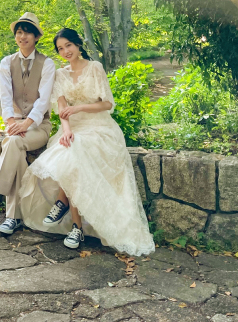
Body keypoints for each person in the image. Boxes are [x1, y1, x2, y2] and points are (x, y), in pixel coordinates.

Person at [17, 28, 155, 255]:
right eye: (60, 48)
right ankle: (75, 227)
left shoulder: (95, 68)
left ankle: (64, 207)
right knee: (71, 149)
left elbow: (107, 104)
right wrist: (66, 130)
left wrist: (79, 108)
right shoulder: (60, 75)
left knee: (75, 151)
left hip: (100, 128)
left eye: (68, 45)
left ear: (78, 45)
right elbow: (62, 108)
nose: (65, 51)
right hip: (74, 128)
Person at [0, 12, 56, 235]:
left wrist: (26, 124)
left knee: (12, 143)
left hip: (39, 127)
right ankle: (13, 218)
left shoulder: (47, 64)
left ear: (36, 37)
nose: (22, 36)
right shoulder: (6, 62)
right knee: (14, 146)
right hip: (15, 125)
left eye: (28, 32)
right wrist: (12, 122)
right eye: (19, 32)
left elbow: (43, 100)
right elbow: (5, 96)